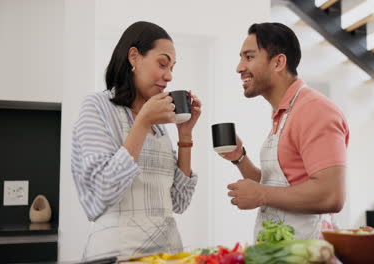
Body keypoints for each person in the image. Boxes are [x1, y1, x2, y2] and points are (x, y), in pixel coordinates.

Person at [71, 21, 201, 259]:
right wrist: (142, 123)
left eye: (172, 67)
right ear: (134, 57)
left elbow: (179, 202)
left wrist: (185, 135)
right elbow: (103, 191)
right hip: (117, 254)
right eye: (162, 63)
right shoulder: (97, 107)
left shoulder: (159, 126)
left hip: (167, 253)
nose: (169, 75)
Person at [222, 22, 349, 240]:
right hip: (280, 251)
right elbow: (278, 186)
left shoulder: (314, 109)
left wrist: (260, 195)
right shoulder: (283, 112)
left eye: (249, 57)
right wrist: (240, 158)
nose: (239, 67)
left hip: (307, 253)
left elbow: (331, 195)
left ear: (278, 62)